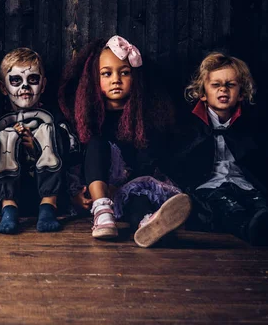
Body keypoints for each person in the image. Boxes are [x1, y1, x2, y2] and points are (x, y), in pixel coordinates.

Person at [59, 36, 191, 246]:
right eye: (106, 73)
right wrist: (76, 195)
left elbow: (148, 161)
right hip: (97, 192)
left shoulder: (146, 118)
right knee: (96, 143)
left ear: (135, 77)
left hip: (131, 184)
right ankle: (103, 214)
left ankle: (148, 224)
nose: (116, 80)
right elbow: (75, 160)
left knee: (139, 200)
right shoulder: (88, 118)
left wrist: (122, 187)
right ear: (94, 79)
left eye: (125, 72)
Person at [170, 52, 268, 245]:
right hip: (208, 188)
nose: (223, 90)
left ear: (241, 93)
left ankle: (262, 224)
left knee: (261, 205)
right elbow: (181, 163)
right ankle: (249, 230)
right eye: (216, 85)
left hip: (243, 185)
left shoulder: (250, 127)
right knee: (227, 208)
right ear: (202, 93)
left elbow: (260, 164)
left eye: (231, 85)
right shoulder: (189, 126)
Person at [0, 48, 72, 234]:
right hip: (13, 190)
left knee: (50, 130)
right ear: (4, 87)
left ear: (43, 85)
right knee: (5, 136)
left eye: (32, 80)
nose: (25, 87)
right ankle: (8, 208)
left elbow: (69, 149)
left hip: (48, 190)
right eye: (16, 81)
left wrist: (34, 146)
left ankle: (48, 207)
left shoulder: (54, 117)